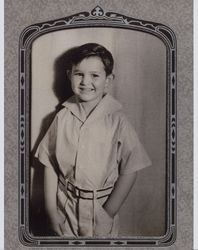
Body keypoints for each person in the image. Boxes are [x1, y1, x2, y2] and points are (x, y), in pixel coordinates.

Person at [35, 43, 151, 237]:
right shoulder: (61, 117)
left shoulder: (118, 121)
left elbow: (130, 170)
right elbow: (49, 163)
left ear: (108, 80)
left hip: (100, 209)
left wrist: (108, 213)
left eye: (95, 75)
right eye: (79, 74)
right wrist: (51, 212)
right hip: (65, 206)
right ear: (68, 75)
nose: (85, 81)